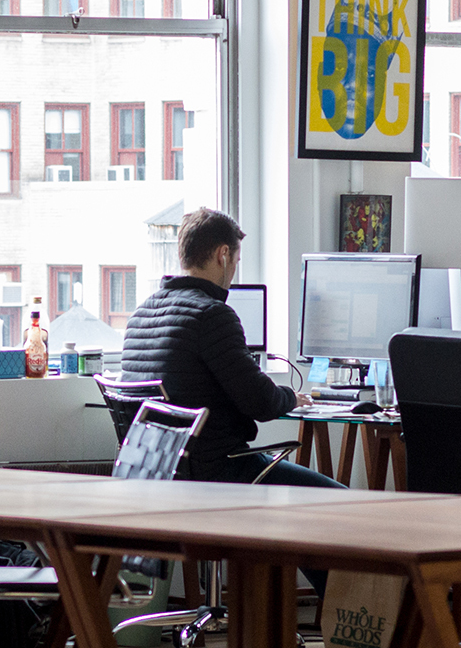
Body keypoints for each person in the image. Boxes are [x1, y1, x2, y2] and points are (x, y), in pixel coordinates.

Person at [121, 207, 345, 491]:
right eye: (237, 260)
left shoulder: (140, 315)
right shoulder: (211, 315)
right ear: (222, 255)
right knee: (341, 499)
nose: (234, 271)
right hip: (217, 471)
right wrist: (290, 397)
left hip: (157, 472)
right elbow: (261, 403)